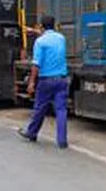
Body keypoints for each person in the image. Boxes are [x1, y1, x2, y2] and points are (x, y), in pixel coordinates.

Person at [18, 15, 69, 149]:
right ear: (54, 25)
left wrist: (31, 82)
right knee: (61, 110)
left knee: (40, 108)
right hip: (62, 79)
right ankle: (62, 140)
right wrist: (35, 31)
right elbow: (50, 37)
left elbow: (36, 65)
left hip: (46, 80)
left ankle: (32, 132)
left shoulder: (40, 42)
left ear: (41, 26)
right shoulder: (61, 38)